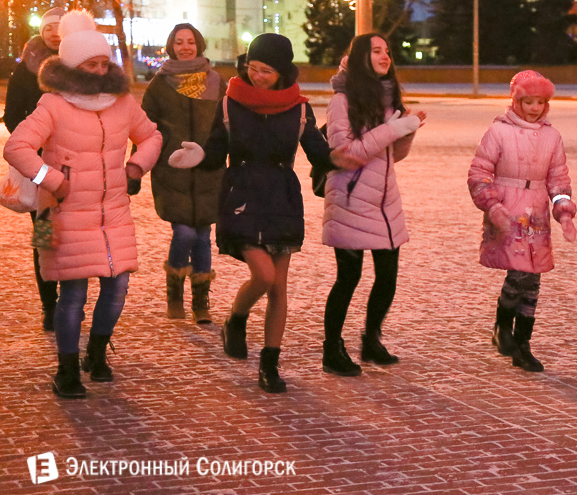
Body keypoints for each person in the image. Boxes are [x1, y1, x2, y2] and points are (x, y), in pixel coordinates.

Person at [168, 33, 351, 393]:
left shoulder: (299, 108)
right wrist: (199, 158)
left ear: (283, 72)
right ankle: (236, 320)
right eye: (252, 67)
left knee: (279, 287)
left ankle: (270, 363)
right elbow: (215, 150)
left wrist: (351, 157)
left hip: (282, 198)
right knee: (263, 275)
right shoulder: (230, 103)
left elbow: (320, 153)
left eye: (266, 70)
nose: (257, 76)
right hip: (242, 193)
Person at [3, 11, 163, 398]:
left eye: (104, 62)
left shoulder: (122, 103)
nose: (100, 69)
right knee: (71, 293)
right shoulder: (53, 105)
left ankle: (96, 352)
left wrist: (136, 166)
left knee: (118, 286)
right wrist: (53, 180)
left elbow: (152, 136)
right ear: (74, 67)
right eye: (91, 64)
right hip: (62, 213)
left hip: (113, 213)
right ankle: (67, 369)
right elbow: (17, 147)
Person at [320, 34, 424, 376]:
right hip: (350, 199)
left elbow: (394, 156)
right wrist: (393, 129)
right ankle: (332, 349)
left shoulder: (389, 98)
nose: (385, 57)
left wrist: (406, 132)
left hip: (384, 201)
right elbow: (345, 154)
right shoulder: (341, 100)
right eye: (376, 51)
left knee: (388, 277)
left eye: (388, 51)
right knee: (348, 278)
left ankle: (371, 338)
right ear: (360, 57)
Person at [468, 70, 577, 373]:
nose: (534, 108)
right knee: (519, 273)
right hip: (507, 209)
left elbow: (558, 179)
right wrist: (492, 205)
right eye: (528, 101)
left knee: (533, 277)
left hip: (538, 213)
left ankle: (522, 340)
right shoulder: (498, 132)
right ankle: (505, 330)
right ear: (516, 101)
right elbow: (479, 173)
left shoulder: (551, 136)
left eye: (540, 102)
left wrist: (563, 209)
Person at [141, 23, 226, 323]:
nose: (185, 46)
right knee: (185, 231)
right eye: (179, 42)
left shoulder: (216, 82)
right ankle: (174, 292)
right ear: (171, 46)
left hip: (208, 170)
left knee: (203, 235)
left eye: (190, 41)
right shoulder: (159, 85)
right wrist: (148, 159)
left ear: (199, 44)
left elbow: (226, 125)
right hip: (172, 170)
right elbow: (145, 127)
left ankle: (201, 302)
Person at [4, 7, 65, 331]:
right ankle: (49, 305)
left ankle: (70, 302)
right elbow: (13, 115)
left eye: (60, 26)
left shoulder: (79, 65)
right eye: (49, 26)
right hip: (40, 170)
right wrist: (35, 145)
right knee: (44, 236)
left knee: (73, 237)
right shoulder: (26, 69)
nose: (54, 31)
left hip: (74, 167)